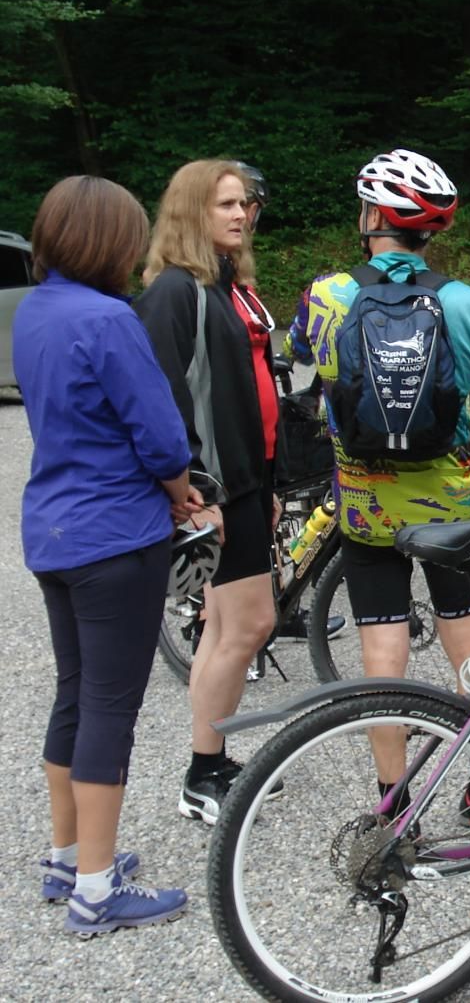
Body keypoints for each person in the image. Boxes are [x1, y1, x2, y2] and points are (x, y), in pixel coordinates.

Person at [299, 149, 470, 825]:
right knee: (467, 634)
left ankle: (393, 805)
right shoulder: (463, 302)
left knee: (382, 648)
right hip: (448, 507)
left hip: (365, 504)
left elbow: (308, 365)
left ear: (372, 216)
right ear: (432, 229)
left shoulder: (325, 295)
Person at [21, 176, 200, 933]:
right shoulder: (110, 318)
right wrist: (183, 492)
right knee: (108, 707)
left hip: (52, 527)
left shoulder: (36, 309)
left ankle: (68, 857)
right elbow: (161, 437)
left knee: (74, 692)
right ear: (108, 241)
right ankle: (96, 890)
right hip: (115, 533)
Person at [135, 159, 278, 826]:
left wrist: (267, 483)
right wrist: (195, 488)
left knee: (223, 629)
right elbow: (159, 396)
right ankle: (202, 771)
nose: (241, 214)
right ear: (192, 210)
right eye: (225, 203)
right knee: (246, 626)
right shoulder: (175, 290)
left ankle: (211, 761)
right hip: (216, 490)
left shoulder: (222, 285)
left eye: (243, 203)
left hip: (246, 483)